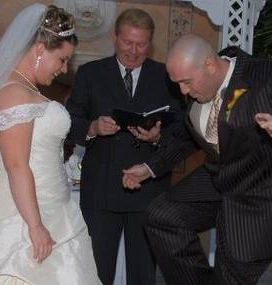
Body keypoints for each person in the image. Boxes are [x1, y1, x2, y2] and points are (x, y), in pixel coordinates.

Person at [122, 34, 272, 285]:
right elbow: (188, 134)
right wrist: (150, 167)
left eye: (187, 83)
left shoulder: (267, 77)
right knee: (161, 215)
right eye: (178, 83)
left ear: (210, 65)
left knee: (230, 277)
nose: (183, 91)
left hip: (260, 194)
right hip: (217, 180)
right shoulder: (196, 85)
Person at [0, 4, 101, 285]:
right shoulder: (14, 93)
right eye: (61, 59)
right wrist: (36, 227)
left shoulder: (25, 89)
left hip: (54, 207)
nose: (64, 70)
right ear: (40, 49)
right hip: (24, 214)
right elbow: (16, 165)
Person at [65, 8, 184, 285]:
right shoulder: (90, 73)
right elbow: (69, 121)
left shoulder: (167, 76)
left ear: (150, 43)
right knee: (96, 273)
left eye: (141, 44)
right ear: (114, 37)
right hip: (101, 190)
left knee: (143, 275)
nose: (134, 50)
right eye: (128, 42)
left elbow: (182, 129)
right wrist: (93, 127)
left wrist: (157, 137)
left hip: (149, 191)